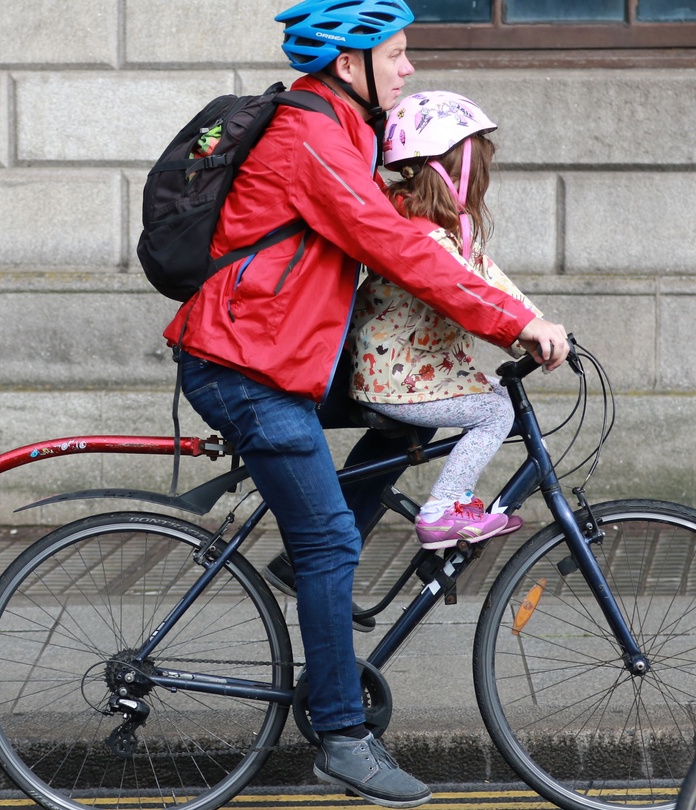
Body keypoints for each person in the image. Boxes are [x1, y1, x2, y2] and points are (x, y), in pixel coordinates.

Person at [161, 1, 570, 806]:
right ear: (351, 65)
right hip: (244, 366)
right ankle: (343, 739)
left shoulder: (342, 132)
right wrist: (515, 323)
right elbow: (397, 247)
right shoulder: (310, 137)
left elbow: (412, 233)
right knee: (329, 548)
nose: (409, 68)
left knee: (399, 431)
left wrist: (509, 312)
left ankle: (325, 625)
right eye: (398, 54)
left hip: (278, 359)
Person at [350, 90, 537, 548]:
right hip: (397, 381)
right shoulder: (427, 238)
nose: (484, 184)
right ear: (457, 178)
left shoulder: (424, 226)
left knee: (489, 395)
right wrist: (525, 331)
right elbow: (465, 293)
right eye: (481, 173)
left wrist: (535, 324)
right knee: (496, 411)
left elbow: (485, 275)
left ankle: (450, 505)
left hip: (404, 374)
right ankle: (444, 509)